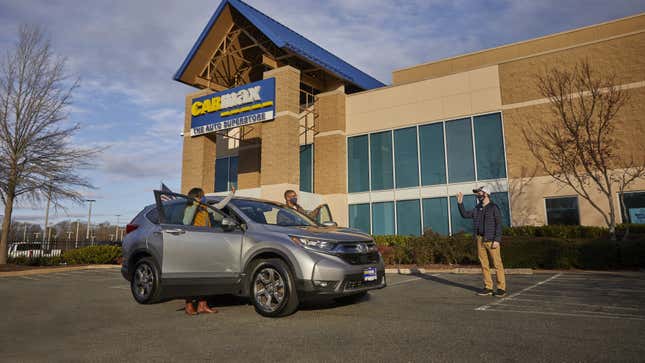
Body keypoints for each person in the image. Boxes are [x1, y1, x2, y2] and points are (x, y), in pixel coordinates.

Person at [182, 186, 235, 315]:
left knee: (205, 276)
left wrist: (231, 194)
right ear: (194, 197)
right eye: (201, 196)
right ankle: (189, 305)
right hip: (194, 245)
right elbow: (186, 222)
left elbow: (220, 205)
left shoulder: (205, 208)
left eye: (203, 196)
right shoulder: (190, 208)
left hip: (206, 245)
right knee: (193, 277)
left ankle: (202, 305)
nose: (203, 198)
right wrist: (195, 205)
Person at [457, 186, 507, 297]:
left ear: (486, 194)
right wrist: (460, 203)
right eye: (477, 193)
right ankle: (488, 287)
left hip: (491, 240)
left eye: (479, 193)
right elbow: (465, 215)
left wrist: (497, 240)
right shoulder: (477, 208)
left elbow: (499, 224)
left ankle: (501, 288)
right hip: (480, 239)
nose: (478, 195)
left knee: (497, 264)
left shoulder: (494, 207)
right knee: (484, 265)